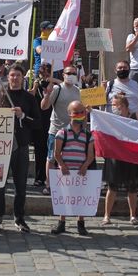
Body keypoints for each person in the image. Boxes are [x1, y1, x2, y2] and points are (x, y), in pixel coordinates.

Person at [0, 64, 39, 233]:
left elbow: (38, 123)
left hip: (22, 146)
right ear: (7, 77)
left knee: (20, 186)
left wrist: (22, 116)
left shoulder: (29, 98)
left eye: (18, 75)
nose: (15, 78)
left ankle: (19, 218)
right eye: (12, 75)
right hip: (1, 147)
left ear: (23, 77)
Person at [102, 93, 138, 226]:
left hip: (131, 156)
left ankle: (133, 215)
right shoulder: (112, 118)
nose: (112, 107)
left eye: (114, 105)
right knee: (112, 187)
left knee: (132, 188)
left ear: (122, 106)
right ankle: (106, 216)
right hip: (116, 156)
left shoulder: (135, 116)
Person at [50, 101, 95, 235]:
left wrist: (85, 166)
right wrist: (62, 165)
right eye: (76, 112)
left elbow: (91, 155)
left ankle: (81, 223)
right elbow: (56, 153)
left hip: (81, 172)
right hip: (65, 172)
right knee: (64, 197)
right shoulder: (62, 133)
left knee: (80, 197)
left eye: (82, 112)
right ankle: (61, 223)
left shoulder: (88, 135)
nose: (79, 115)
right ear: (69, 114)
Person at [40, 64, 82, 195]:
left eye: (74, 73)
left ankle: (66, 184)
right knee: (51, 158)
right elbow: (44, 107)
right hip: (56, 130)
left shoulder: (78, 91)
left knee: (69, 158)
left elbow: (83, 110)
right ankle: (48, 184)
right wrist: (47, 95)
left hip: (73, 132)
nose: (71, 75)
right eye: (68, 73)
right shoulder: (57, 89)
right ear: (63, 75)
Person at [29, 63, 57, 188]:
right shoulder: (35, 86)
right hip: (39, 122)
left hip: (52, 121)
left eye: (47, 74)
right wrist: (34, 89)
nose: (44, 77)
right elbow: (29, 100)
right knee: (39, 151)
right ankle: (39, 177)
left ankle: (51, 178)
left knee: (52, 152)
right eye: (42, 74)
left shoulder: (55, 87)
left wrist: (53, 81)